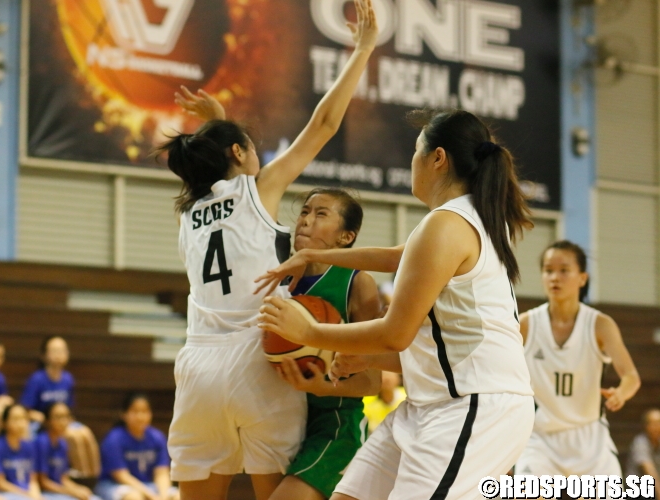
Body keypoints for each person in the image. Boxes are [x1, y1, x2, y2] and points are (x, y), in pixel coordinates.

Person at [257, 109, 536, 499]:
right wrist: (312, 258)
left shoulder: (448, 225)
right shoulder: (465, 219)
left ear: (437, 158)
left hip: (472, 405)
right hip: (431, 403)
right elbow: (393, 258)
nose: (411, 163)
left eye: (415, 151)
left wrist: (312, 333)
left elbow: (395, 335)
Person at [159, 2, 378, 499]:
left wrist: (218, 123)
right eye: (248, 148)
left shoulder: (189, 212)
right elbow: (323, 125)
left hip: (196, 366)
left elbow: (220, 176)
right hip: (257, 360)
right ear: (239, 155)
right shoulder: (257, 189)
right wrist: (362, 49)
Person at [267, 188, 382, 500]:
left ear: (345, 238)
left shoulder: (357, 283)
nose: (305, 221)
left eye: (320, 214)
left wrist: (322, 387)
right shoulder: (276, 278)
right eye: (305, 212)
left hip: (333, 424)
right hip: (280, 417)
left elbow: (372, 381)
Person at [514, 240, 641, 477]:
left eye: (564, 270)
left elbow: (631, 376)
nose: (554, 277)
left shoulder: (600, 325)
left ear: (582, 278)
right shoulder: (525, 324)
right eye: (548, 270)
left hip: (589, 438)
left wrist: (621, 393)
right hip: (540, 438)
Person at [20, 336, 100, 478]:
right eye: (54, 351)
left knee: (85, 433)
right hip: (43, 424)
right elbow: (25, 410)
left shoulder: (68, 379)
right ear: (44, 355)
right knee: (73, 436)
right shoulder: (37, 379)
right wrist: (41, 417)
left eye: (62, 350)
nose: (59, 354)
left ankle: (93, 476)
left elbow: (70, 408)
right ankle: (79, 476)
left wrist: (66, 421)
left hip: (63, 421)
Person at [94, 394, 177, 500]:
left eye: (144, 411)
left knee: (178, 496)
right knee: (134, 497)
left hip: (148, 484)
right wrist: (152, 496)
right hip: (114, 485)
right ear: (123, 414)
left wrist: (163, 496)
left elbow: (162, 473)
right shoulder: (113, 439)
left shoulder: (157, 437)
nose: (140, 416)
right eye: (135, 411)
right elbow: (122, 476)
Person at [35, 403, 98, 500]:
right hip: (46, 493)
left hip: (59, 491)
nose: (63, 421)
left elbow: (62, 478)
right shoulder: (41, 442)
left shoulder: (62, 443)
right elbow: (43, 482)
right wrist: (71, 492)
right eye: (58, 417)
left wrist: (77, 488)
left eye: (66, 417)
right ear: (48, 420)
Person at [0, 404, 40, 500]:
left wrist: (36, 496)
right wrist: (25, 495)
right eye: (15, 419)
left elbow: (33, 481)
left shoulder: (29, 446)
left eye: (24, 418)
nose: (20, 423)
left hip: (26, 493)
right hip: (6, 494)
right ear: (4, 423)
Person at [626, 409, 660, 481]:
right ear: (646, 426)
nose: (657, 426)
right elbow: (649, 473)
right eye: (654, 423)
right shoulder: (640, 442)